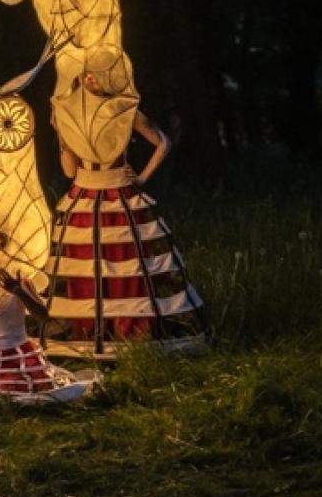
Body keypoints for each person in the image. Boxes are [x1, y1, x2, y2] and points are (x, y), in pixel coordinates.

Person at [43, 45, 206, 357]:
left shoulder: (124, 110)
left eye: (97, 74)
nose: (91, 80)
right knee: (86, 262)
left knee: (123, 260)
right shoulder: (71, 115)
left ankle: (129, 329)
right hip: (84, 194)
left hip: (119, 193)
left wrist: (142, 178)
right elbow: (69, 170)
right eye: (86, 74)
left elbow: (162, 142)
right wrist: (62, 137)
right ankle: (88, 329)